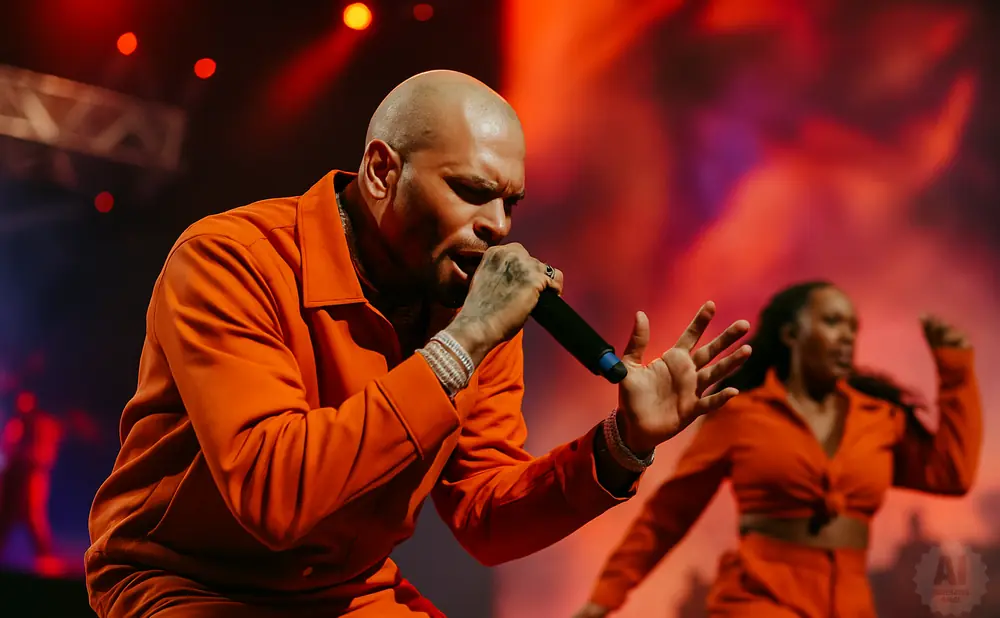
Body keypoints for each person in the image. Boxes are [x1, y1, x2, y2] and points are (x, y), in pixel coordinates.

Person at [84, 70, 753, 618]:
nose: (497, 226)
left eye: (510, 203)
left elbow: (485, 517)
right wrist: (462, 345)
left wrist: (620, 446)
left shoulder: (471, 309)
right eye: (471, 191)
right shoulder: (232, 260)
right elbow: (274, 498)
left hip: (347, 594)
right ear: (382, 171)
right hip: (190, 583)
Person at [574, 280, 983, 618]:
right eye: (832, 322)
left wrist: (955, 371)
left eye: (853, 327)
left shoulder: (880, 418)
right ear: (791, 334)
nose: (847, 336)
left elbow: (951, 474)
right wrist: (603, 599)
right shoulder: (741, 414)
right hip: (759, 600)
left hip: (851, 605)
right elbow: (667, 515)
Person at [0, 391, 63, 573]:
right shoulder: (16, 423)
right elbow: (7, 449)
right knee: (6, 515)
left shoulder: (43, 424)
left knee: (33, 516)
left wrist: (27, 457)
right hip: (14, 477)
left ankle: (46, 558)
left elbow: (45, 454)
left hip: (32, 476)